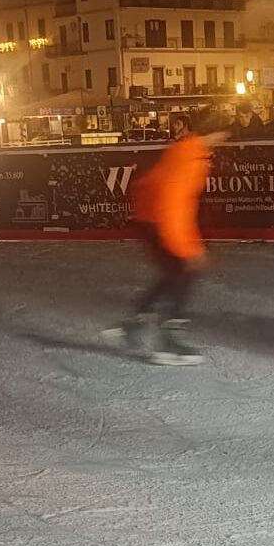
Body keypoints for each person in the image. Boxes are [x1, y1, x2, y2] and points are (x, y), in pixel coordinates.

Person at [103, 113, 230, 365]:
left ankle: (134, 326)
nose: (225, 140)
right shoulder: (191, 157)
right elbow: (174, 204)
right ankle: (167, 343)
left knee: (173, 273)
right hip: (157, 219)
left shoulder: (190, 150)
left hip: (149, 217)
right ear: (215, 133)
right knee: (183, 272)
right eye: (225, 134)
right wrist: (189, 248)